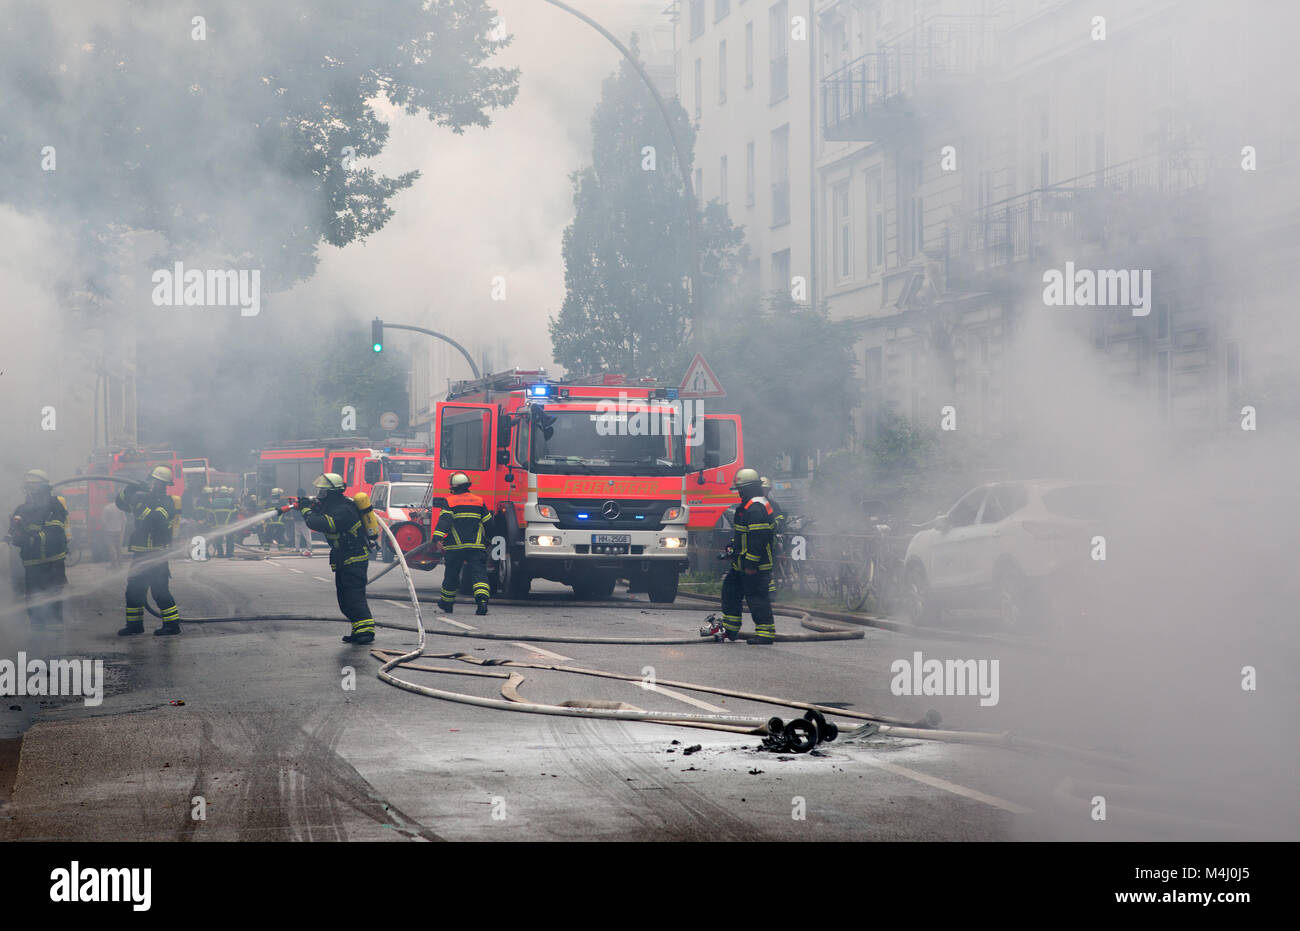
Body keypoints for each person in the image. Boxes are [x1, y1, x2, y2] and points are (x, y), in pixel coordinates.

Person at [299, 473, 377, 644]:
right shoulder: (335, 505)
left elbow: (319, 523)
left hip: (354, 557)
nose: (320, 494)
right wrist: (308, 505)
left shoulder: (343, 509)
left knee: (354, 595)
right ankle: (358, 629)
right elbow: (321, 513)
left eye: (323, 491)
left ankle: (366, 631)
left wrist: (306, 510)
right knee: (344, 597)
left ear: (331, 492)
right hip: (344, 556)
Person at [117, 465, 181, 636]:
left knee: (159, 591)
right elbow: (120, 503)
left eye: (158, 482)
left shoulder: (167, 502)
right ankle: (134, 626)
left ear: (164, 484)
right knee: (133, 591)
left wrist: (138, 505)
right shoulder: (142, 498)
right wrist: (130, 491)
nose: (154, 484)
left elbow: (154, 520)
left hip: (157, 554)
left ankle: (172, 625)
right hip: (140, 554)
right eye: (152, 480)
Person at [718, 468, 777, 645]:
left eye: (741, 489)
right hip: (741, 564)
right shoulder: (749, 506)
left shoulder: (756, 508)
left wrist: (751, 564)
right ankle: (731, 630)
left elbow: (757, 540)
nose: (739, 493)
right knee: (730, 592)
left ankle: (765, 633)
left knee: (757, 598)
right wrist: (732, 548)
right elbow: (743, 535)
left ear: (750, 488)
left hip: (755, 566)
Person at [6, 470, 69, 625]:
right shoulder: (22, 508)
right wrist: (8, 538)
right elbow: (14, 529)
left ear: (42, 486)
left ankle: (56, 635)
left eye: (31, 485)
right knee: (33, 597)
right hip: (32, 562)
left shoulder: (54, 505)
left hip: (52, 561)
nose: (28, 489)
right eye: (27, 486)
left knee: (53, 595)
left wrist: (31, 538)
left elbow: (54, 531)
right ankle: (38, 632)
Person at [432, 472, 492, 616]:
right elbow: (489, 523)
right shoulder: (479, 501)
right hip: (476, 547)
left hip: (455, 547)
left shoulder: (450, 501)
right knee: (479, 573)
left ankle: (447, 603)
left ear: (453, 487)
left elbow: (445, 521)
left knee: (452, 574)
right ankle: (482, 601)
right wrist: (489, 540)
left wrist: (437, 538)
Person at [761, 476, 787, 597]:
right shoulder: (752, 504)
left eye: (765, 489)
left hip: (769, 540)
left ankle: (771, 591)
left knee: (770, 566)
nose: (763, 492)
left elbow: (780, 521)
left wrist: (774, 528)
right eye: (761, 489)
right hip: (754, 541)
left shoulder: (771, 505)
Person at [208, 485, 238, 557]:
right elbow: (234, 512)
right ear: (227, 493)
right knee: (229, 539)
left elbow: (211, 513)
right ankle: (229, 553)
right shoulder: (231, 501)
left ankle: (220, 553)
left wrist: (212, 522)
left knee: (218, 540)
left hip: (217, 524)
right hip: (228, 524)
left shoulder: (214, 501)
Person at [101, 498, 125, 569]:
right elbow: (124, 519)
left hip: (109, 531)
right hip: (119, 530)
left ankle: (114, 565)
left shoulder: (106, 508)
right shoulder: (120, 507)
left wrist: (104, 529)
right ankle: (121, 564)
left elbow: (104, 521)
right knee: (119, 548)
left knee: (112, 548)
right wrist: (122, 529)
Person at [290, 487, 313, 556]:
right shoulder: (306, 500)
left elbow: (293, 509)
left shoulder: (297, 500)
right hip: (303, 520)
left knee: (297, 535)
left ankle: (297, 548)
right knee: (307, 535)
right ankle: (309, 548)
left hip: (297, 520)